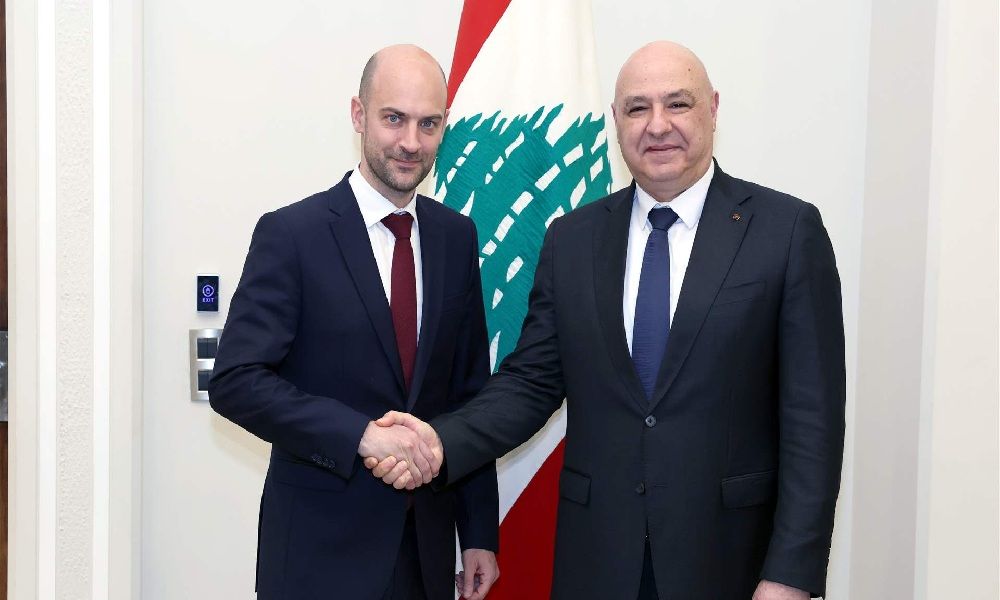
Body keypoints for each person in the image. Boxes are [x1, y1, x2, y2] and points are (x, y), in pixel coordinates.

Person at [366, 41, 845, 600]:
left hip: (731, 562)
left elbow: (813, 423)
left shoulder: (786, 232)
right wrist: (438, 442)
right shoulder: (573, 239)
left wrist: (790, 575)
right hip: (598, 561)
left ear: (713, 108)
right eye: (638, 108)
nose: (658, 125)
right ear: (616, 120)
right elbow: (531, 384)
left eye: (678, 103)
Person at [209, 44, 499, 600]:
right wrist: (359, 436)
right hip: (318, 557)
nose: (411, 142)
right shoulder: (292, 234)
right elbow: (236, 380)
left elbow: (469, 394)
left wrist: (479, 532)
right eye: (394, 118)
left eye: (428, 123)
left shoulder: (456, 237)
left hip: (426, 555)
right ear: (359, 115)